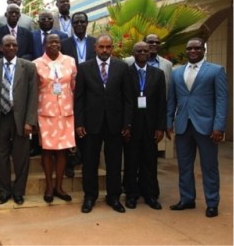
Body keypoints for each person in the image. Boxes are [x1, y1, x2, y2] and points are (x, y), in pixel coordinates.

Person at [166, 37, 228, 218]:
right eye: (189, 48)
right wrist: (169, 122)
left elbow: (222, 100)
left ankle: (212, 202)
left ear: (203, 50)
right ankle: (187, 199)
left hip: (207, 127)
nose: (193, 51)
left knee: (209, 166)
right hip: (183, 125)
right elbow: (172, 100)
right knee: (184, 165)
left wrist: (219, 126)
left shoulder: (216, 71)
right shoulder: (177, 73)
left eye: (197, 48)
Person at [74, 34, 132, 214]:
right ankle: (90, 196)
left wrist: (127, 123)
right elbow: (79, 98)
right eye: (101, 47)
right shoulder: (84, 68)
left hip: (115, 123)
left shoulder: (122, 67)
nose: (105, 50)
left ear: (112, 48)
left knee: (114, 161)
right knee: (90, 161)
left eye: (108, 47)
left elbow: (128, 98)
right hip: (91, 123)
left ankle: (113, 196)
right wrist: (80, 122)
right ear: (95, 48)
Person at [0, 34, 38, 205]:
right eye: (7, 45)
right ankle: (4, 192)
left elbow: (33, 95)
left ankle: (18, 191)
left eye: (14, 45)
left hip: (21, 118)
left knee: (21, 157)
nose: (11, 48)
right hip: (0, 117)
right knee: (0, 156)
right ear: (1, 48)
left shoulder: (29, 67)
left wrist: (30, 121)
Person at [33, 34, 77, 204]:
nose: (54, 45)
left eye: (57, 42)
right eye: (50, 42)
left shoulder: (70, 61)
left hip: (66, 112)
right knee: (47, 150)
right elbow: (34, 90)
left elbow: (74, 86)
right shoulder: (36, 64)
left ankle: (59, 186)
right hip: (45, 113)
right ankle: (49, 187)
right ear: (44, 44)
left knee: (62, 150)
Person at [124, 41, 166, 210]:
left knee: (150, 161)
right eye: (139, 50)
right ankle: (131, 194)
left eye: (145, 51)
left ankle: (150, 195)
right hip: (132, 125)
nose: (142, 53)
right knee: (131, 161)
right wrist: (125, 125)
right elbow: (124, 100)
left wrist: (160, 127)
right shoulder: (126, 73)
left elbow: (162, 102)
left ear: (149, 53)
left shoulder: (158, 74)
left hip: (151, 126)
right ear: (133, 53)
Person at [60, 11, 97, 177]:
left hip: (92, 90)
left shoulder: (95, 43)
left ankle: (84, 161)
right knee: (71, 127)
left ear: (87, 23)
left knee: (87, 125)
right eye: (76, 22)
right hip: (70, 90)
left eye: (82, 22)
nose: (79, 25)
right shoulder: (64, 43)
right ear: (72, 25)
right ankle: (70, 161)